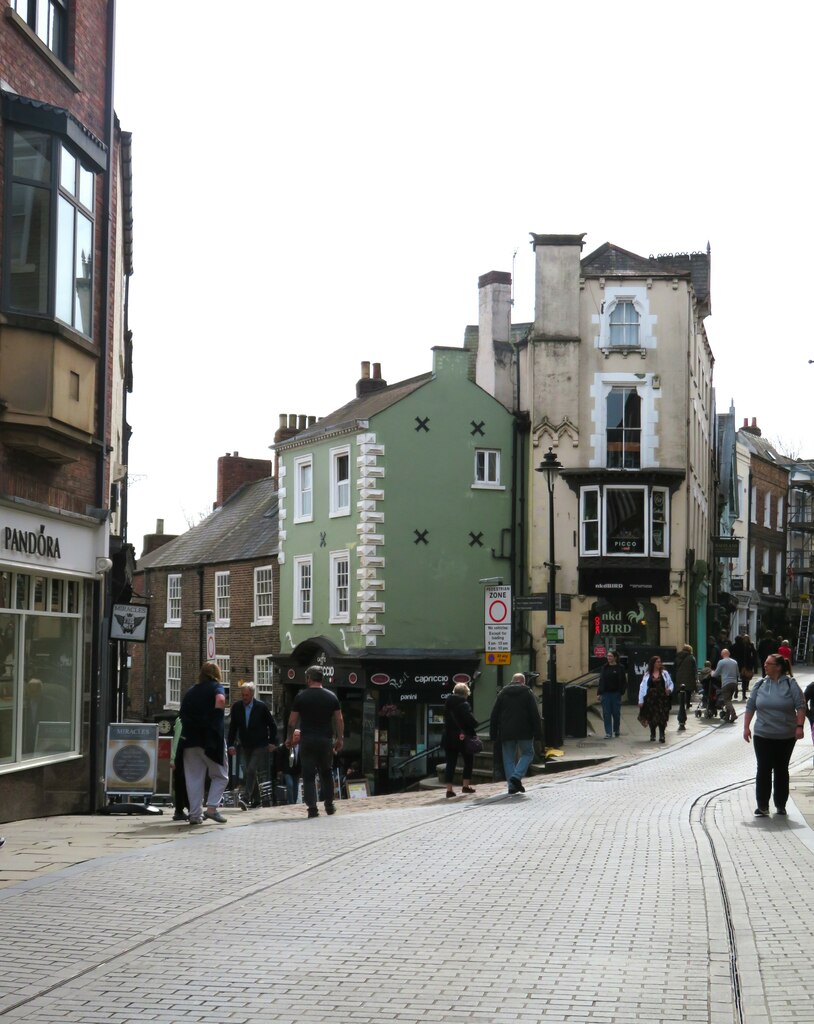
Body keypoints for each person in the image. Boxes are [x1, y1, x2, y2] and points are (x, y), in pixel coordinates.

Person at [743, 654, 805, 816]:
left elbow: (801, 706)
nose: (765, 666)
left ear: (778, 667)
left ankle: (780, 804)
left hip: (786, 736)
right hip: (763, 734)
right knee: (763, 768)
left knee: (781, 769)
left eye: (768, 664)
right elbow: (750, 707)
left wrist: (799, 726)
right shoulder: (760, 684)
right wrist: (746, 727)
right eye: (764, 663)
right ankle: (762, 805)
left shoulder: (791, 684)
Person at [287, 666, 343, 819]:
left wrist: (289, 738)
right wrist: (340, 738)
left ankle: (312, 808)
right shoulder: (331, 696)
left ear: (309, 679)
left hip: (308, 740)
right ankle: (329, 805)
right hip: (325, 740)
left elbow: (292, 721)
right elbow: (339, 719)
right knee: (327, 772)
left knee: (309, 775)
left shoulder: (301, 697)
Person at [179, 661, 230, 825]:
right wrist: (215, 718)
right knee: (221, 775)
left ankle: (195, 815)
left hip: (190, 741)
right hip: (210, 740)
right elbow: (221, 700)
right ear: (216, 674)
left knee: (194, 778)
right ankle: (212, 808)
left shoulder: (190, 692)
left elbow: (182, 715)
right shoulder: (216, 687)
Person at [489, 672, 543, 793]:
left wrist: (493, 734)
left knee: (508, 758)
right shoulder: (528, 693)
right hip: (525, 731)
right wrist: (538, 733)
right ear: (523, 681)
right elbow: (535, 714)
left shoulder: (502, 693)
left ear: (512, 681)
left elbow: (494, 715)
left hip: (506, 732)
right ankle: (516, 776)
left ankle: (512, 787)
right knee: (528, 753)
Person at [227, 682, 278, 808]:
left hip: (260, 744)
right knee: (249, 772)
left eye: (247, 695)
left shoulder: (261, 707)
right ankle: (257, 801)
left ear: (252, 695)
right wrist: (230, 744)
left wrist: (272, 742)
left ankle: (245, 797)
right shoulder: (237, 707)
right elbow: (233, 727)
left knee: (251, 769)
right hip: (245, 744)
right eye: (243, 695)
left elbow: (272, 725)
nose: (244, 697)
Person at [444, 681, 479, 797]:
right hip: (463, 737)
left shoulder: (447, 703)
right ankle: (465, 786)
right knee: (468, 761)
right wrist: (475, 723)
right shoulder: (464, 704)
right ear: (465, 693)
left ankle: (449, 789)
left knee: (450, 763)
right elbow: (469, 720)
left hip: (448, 736)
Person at [638, 655, 674, 743]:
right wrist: (641, 700)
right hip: (651, 699)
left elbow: (670, 683)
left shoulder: (664, 673)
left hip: (662, 699)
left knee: (662, 717)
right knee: (652, 717)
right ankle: (653, 734)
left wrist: (669, 689)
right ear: (653, 663)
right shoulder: (647, 674)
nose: (659, 663)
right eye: (657, 662)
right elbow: (642, 687)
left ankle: (662, 735)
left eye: (660, 662)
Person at [597, 652, 627, 739]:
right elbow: (601, 680)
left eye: (611, 656)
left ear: (615, 658)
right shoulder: (604, 667)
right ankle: (608, 732)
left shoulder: (620, 668)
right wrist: (599, 693)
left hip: (616, 694)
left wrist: (621, 691)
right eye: (608, 656)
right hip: (605, 694)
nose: (609, 658)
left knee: (616, 713)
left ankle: (616, 729)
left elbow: (624, 681)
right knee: (606, 714)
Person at [276, 727, 301, 804]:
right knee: (290, 785)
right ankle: (291, 802)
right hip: (287, 770)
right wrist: (279, 769)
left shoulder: (302, 747)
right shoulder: (286, 745)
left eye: (298, 735)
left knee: (295, 788)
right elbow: (279, 756)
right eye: (295, 735)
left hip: (297, 770)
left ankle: (294, 801)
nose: (296, 737)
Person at [674, 644, 699, 710]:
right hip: (689, 677)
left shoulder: (678, 657)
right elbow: (694, 669)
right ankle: (687, 704)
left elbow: (675, 667)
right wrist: (696, 678)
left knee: (680, 690)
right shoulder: (691, 658)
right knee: (688, 691)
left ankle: (681, 703)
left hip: (679, 676)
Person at [737, 634, 760, 701]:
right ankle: (744, 694)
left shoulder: (751, 645)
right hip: (742, 664)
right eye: (744, 638)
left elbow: (754, 653)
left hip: (749, 664)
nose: (745, 639)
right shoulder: (740, 645)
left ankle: (746, 687)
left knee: (747, 677)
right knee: (743, 678)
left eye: (746, 638)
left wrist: (754, 664)